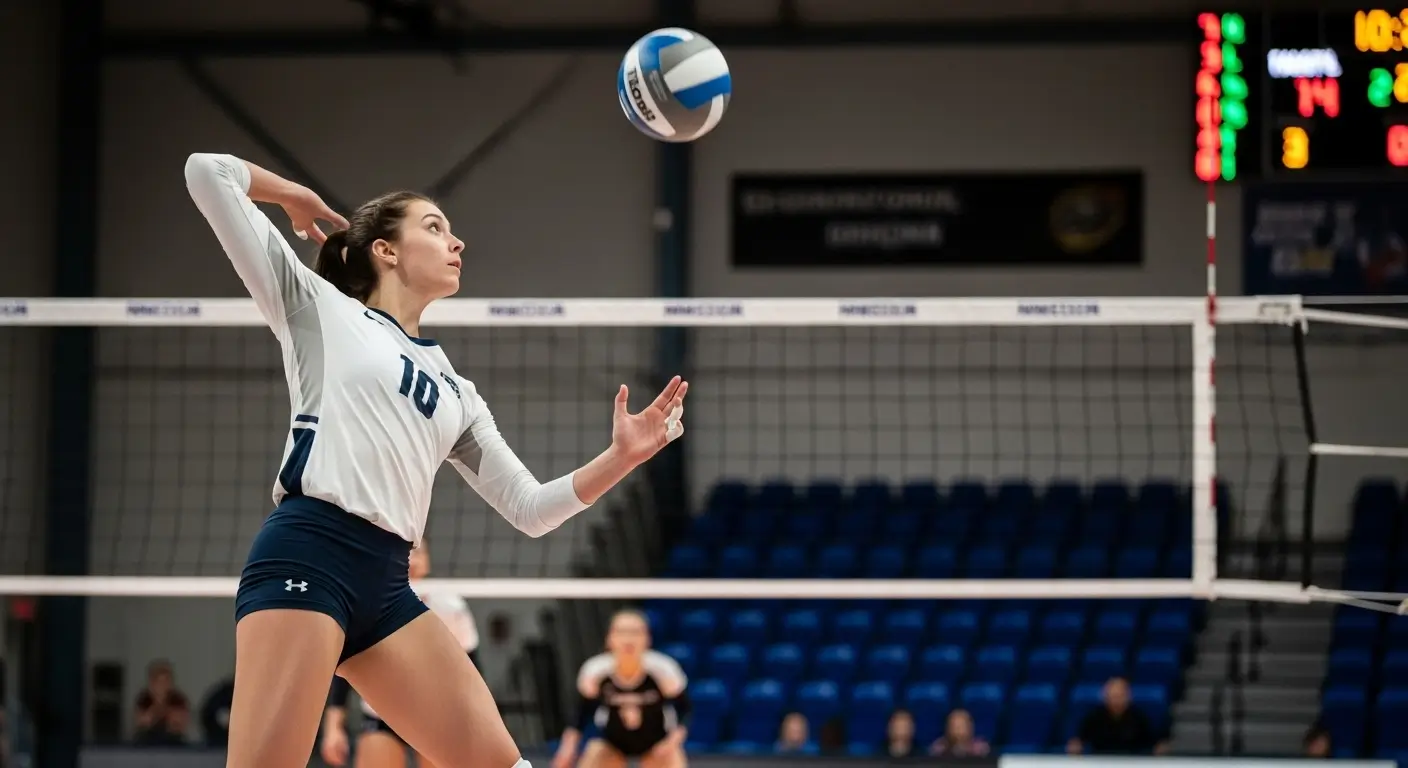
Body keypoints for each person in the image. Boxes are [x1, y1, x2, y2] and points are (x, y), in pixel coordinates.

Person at [184, 153, 688, 768]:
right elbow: (207, 172)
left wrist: (621, 456)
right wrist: (295, 197)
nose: (457, 240)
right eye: (434, 226)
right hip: (309, 555)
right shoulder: (319, 308)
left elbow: (531, 510)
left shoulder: (455, 389)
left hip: (388, 586)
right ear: (385, 251)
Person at [320, 540, 481, 768]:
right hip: (382, 717)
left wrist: (477, 727)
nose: (412, 560)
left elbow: (472, 675)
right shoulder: (367, 604)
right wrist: (333, 727)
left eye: (419, 553)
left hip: (438, 717)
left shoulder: (451, 607)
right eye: (406, 553)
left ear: (427, 561)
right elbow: (344, 671)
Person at [551, 610, 690, 768]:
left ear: (647, 638)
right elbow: (580, 715)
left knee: (673, 757)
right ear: (610, 638)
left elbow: (684, 709)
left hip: (657, 744)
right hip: (612, 745)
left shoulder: (664, 670)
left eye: (636, 632)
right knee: (595, 751)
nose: (628, 639)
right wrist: (567, 750)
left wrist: (673, 742)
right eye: (622, 632)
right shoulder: (595, 672)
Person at [1067, 677, 1169, 756]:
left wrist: (1159, 747)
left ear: (1128, 697)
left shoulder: (1139, 717)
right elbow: (1080, 740)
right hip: (1099, 761)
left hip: (1132, 761)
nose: (1117, 701)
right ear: (1105, 697)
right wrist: (1076, 745)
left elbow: (1153, 742)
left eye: (1120, 696)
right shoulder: (1094, 717)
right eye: (1113, 696)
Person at [133, 659, 190, 746]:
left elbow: (179, 724)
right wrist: (157, 704)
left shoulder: (178, 699)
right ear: (152, 682)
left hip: (172, 740)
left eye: (166, 681)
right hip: (147, 740)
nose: (163, 685)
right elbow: (141, 722)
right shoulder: (144, 698)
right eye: (159, 682)